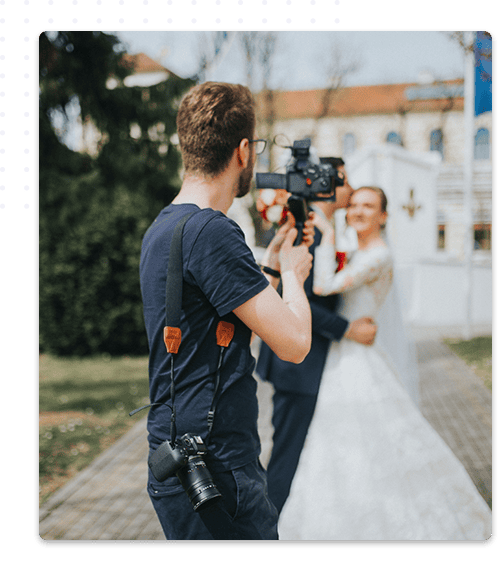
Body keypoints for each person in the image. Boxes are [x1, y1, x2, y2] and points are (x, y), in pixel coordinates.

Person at [139, 82, 315, 540]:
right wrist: (296, 275)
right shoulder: (213, 231)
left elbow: (228, 328)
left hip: (178, 454)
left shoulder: (166, 227)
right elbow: (294, 344)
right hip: (217, 465)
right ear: (242, 150)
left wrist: (273, 264)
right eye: (255, 147)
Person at [278, 187, 493, 540]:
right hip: (345, 353)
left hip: (358, 360)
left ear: (384, 216)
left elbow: (325, 283)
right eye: (356, 204)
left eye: (369, 206)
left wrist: (328, 232)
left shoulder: (378, 255)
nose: (359, 210)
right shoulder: (361, 252)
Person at [255, 159, 378, 514]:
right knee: (287, 455)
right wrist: (347, 329)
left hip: (318, 363)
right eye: (344, 179)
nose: (350, 188)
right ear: (323, 184)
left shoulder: (326, 229)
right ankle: (268, 527)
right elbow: (300, 297)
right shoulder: (312, 233)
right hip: (298, 366)